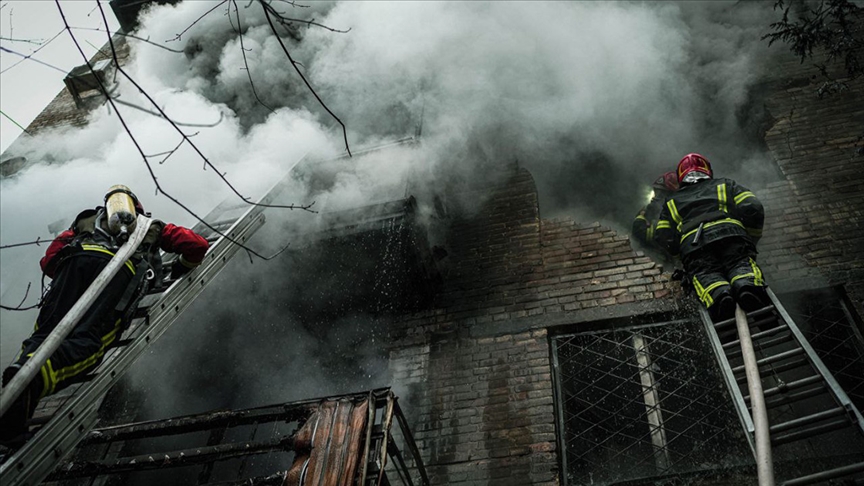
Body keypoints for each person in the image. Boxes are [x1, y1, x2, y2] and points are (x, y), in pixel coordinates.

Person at [0, 186, 209, 445]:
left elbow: (49, 261)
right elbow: (197, 245)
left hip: (72, 267)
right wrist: (181, 266)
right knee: (89, 343)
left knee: (45, 334)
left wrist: (74, 280)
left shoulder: (83, 224)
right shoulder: (150, 227)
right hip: (115, 276)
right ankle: (38, 377)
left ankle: (21, 370)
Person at [654, 154, 766, 322]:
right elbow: (753, 207)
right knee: (740, 266)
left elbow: (663, 235)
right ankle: (748, 288)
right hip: (731, 235)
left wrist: (680, 256)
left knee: (706, 274)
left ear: (681, 176)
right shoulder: (725, 184)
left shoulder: (671, 200)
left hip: (694, 246)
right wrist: (751, 236)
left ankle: (719, 298)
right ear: (708, 171)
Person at [632, 171, 679, 251]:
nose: (657, 197)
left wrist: (640, 221)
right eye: (656, 192)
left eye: (662, 193)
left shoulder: (678, 211)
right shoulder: (650, 210)